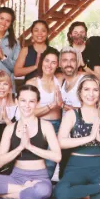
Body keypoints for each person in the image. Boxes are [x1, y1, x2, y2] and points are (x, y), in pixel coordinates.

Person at [0, 85, 61, 199]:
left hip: (39, 178)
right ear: (17, 101)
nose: (27, 105)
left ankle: (5, 194)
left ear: (37, 103)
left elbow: (57, 156)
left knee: (43, 191)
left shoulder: (46, 126)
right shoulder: (10, 129)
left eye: (31, 101)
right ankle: (23, 189)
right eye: (23, 101)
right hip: (16, 177)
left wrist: (30, 147)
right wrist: (20, 148)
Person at [26, 48, 63, 179]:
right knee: (36, 159)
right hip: (39, 126)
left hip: (57, 125)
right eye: (47, 61)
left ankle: (44, 187)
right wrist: (50, 106)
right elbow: (29, 112)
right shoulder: (33, 83)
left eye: (53, 62)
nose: (49, 65)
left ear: (58, 65)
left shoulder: (60, 79)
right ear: (41, 62)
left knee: (51, 161)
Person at [58, 46, 84, 111]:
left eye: (72, 60)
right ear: (60, 64)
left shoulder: (84, 81)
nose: (69, 64)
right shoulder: (62, 82)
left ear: (77, 63)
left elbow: (90, 110)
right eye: (65, 60)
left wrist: (63, 105)